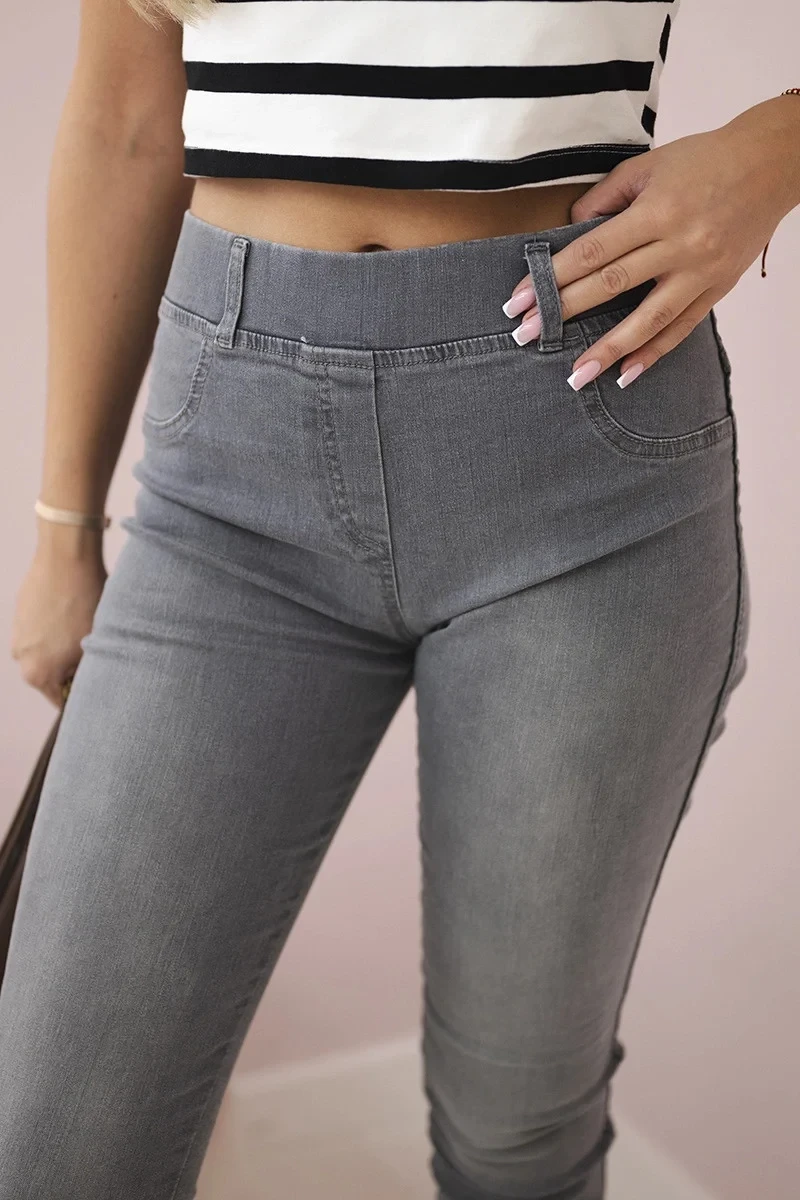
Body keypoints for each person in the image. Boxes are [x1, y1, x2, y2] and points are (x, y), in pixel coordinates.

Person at [2, 0, 796, 1196]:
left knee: (511, 1137)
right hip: (229, 479)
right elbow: (125, 122)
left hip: (575, 456)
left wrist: (773, 149)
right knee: (56, 1143)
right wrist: (64, 530)